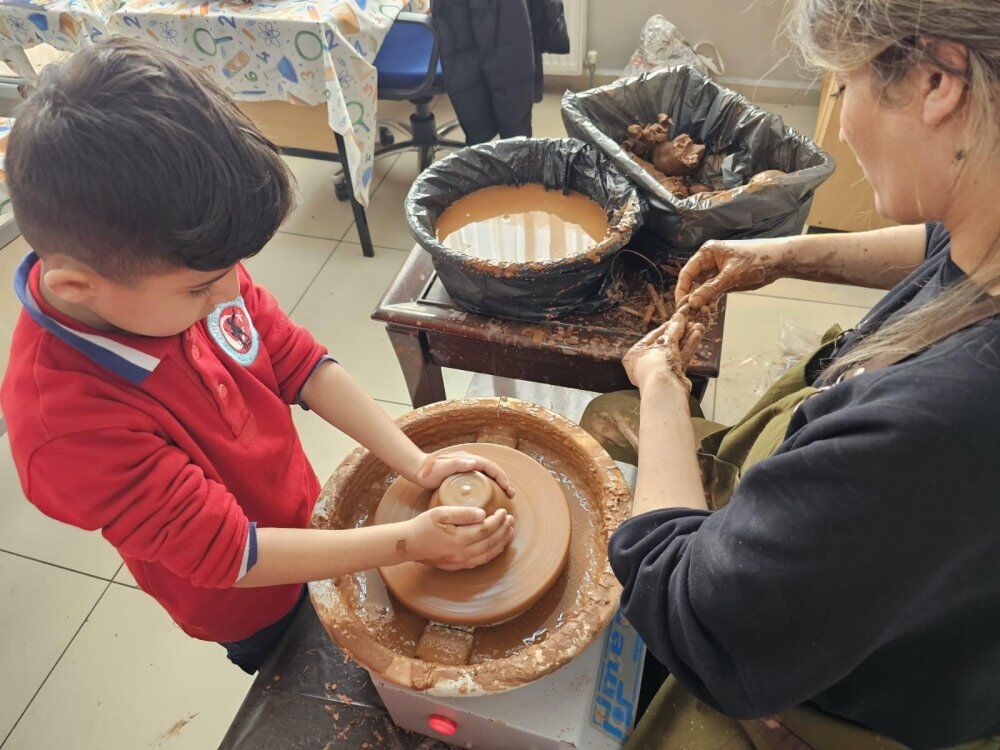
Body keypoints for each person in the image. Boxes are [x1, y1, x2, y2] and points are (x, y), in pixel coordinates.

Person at [0, 38, 516, 674]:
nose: (230, 291)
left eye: (230, 271)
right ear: (78, 287)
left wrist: (419, 463)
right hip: (245, 598)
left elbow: (298, 360)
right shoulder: (65, 425)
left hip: (299, 516)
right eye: (200, 288)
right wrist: (408, 543)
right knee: (296, 663)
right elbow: (230, 554)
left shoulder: (185, 270)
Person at [581, 1, 1000, 748]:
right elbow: (945, 241)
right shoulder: (987, 227)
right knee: (601, 419)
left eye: (844, 86)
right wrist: (784, 256)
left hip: (866, 697)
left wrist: (664, 389)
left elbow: (692, 612)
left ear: (939, 82)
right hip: (918, 563)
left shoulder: (936, 423)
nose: (842, 122)